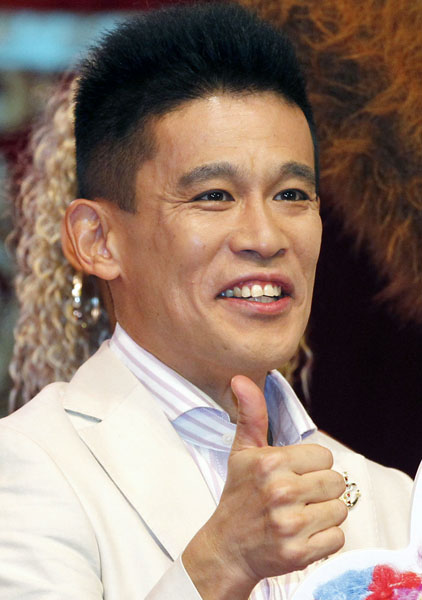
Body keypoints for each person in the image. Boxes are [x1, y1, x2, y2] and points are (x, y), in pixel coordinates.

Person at [0, 3, 412, 599]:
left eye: (292, 194)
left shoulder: (391, 501)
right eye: (214, 195)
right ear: (98, 239)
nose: (266, 237)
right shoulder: (30, 465)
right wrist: (221, 563)